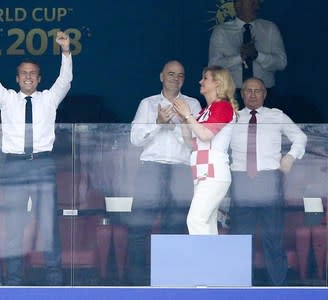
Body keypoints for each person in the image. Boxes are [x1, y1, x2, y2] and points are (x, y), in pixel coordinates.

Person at [0, 30, 72, 285]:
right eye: (24, 73)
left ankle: (54, 279)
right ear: (17, 78)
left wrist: (65, 51)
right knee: (14, 227)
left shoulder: (49, 99)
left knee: (48, 225)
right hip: (14, 165)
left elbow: (65, 81)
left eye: (33, 73)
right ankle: (14, 280)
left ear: (39, 79)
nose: (28, 77)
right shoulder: (7, 99)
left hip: (42, 163)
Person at [126, 60, 201, 285]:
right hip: (151, 167)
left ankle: (170, 281)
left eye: (180, 75)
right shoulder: (147, 104)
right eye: (171, 74)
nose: (175, 78)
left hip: (180, 170)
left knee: (175, 227)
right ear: (161, 76)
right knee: (139, 226)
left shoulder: (192, 104)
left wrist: (177, 126)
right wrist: (158, 123)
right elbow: (135, 139)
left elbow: (198, 141)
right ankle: (137, 282)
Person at [229, 77, 307, 285]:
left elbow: (300, 137)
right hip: (240, 180)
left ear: (265, 94)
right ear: (242, 94)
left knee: (273, 237)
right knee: (240, 238)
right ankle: (238, 285)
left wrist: (290, 156)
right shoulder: (232, 117)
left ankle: (278, 287)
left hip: (268, 180)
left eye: (258, 91)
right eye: (248, 90)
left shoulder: (276, 116)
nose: (253, 94)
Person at [173, 65, 238, 235]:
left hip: (214, 174)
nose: (200, 81)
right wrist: (183, 120)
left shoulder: (223, 106)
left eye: (205, 78)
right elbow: (191, 143)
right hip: (202, 174)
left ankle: (202, 261)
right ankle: (212, 261)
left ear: (217, 83)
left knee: (196, 220)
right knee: (207, 224)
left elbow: (205, 135)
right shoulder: (205, 111)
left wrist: (188, 116)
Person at [208, 0, 287, 106]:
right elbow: (213, 68)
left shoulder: (270, 29)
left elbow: (281, 63)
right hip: (232, 96)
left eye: (257, 2)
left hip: (265, 95)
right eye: (252, 2)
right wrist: (240, 57)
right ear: (238, 5)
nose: (257, 5)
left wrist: (257, 55)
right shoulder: (221, 31)